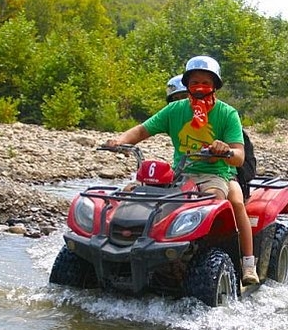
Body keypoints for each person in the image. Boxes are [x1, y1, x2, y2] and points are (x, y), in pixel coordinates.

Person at [104, 56, 259, 284]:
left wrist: (224, 150)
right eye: (195, 81)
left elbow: (239, 156)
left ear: (215, 85)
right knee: (131, 192)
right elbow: (141, 130)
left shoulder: (227, 114)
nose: (200, 87)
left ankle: (247, 264)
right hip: (181, 172)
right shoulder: (175, 110)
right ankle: (128, 246)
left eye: (206, 82)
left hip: (215, 174)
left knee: (215, 201)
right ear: (187, 84)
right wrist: (119, 141)